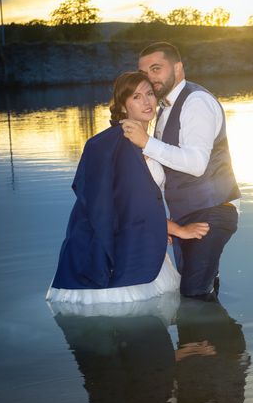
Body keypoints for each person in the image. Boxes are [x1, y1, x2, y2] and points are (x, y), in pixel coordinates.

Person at [46, 71, 209, 304]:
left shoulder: (146, 141)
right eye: (136, 97)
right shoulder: (114, 146)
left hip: (141, 238)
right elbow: (126, 207)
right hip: (117, 255)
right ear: (123, 106)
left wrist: (158, 230)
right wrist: (177, 230)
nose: (146, 101)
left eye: (150, 94)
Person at [121, 42, 240, 300]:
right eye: (144, 71)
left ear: (178, 67)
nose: (149, 78)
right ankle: (213, 337)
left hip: (213, 210)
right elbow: (164, 173)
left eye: (156, 69)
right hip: (184, 216)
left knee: (193, 292)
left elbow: (196, 164)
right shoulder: (163, 109)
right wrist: (165, 225)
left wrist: (146, 142)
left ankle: (210, 337)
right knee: (194, 289)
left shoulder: (196, 102)